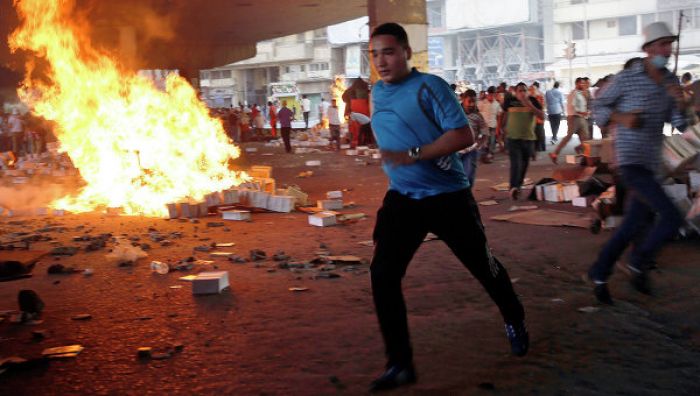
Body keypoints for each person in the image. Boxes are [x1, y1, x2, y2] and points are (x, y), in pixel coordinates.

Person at [367, 22, 528, 392]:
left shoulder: (431, 86)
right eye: (375, 54)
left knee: (483, 267)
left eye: (388, 52)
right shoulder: (377, 91)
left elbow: (463, 135)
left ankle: (514, 316)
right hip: (403, 199)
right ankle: (400, 363)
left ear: (407, 52)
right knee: (383, 275)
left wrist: (413, 154)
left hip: (447, 198)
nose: (381, 61)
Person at [585, 22, 688, 305]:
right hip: (630, 162)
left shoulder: (671, 81)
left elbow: (680, 125)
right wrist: (623, 118)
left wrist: (680, 105)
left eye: (670, 44)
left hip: (652, 162)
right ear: (647, 49)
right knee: (672, 217)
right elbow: (598, 107)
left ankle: (600, 271)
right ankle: (638, 263)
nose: (667, 51)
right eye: (662, 44)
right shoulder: (627, 78)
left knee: (632, 225)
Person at [502, 82, 544, 200]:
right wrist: (501, 131)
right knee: (516, 164)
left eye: (524, 90)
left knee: (524, 165)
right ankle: (513, 188)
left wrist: (529, 105)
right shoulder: (510, 101)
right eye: (520, 90)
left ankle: (518, 186)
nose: (522, 93)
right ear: (515, 92)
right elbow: (504, 115)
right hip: (513, 138)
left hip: (528, 139)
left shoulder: (533, 100)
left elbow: (542, 116)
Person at [549, 77, 589, 163]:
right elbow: (574, 107)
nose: (583, 85)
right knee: (568, 137)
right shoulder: (574, 93)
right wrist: (583, 113)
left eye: (584, 83)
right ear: (577, 84)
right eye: (581, 83)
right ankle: (555, 153)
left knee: (585, 139)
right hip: (574, 118)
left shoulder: (580, 94)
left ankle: (584, 157)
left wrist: (584, 113)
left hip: (581, 118)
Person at [459, 89, 489, 186]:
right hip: (454, 151)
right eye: (469, 101)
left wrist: (478, 144)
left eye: (474, 102)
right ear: (463, 99)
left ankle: (467, 198)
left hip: (471, 151)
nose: (472, 104)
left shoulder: (478, 116)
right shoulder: (454, 113)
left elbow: (485, 133)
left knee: (469, 176)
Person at [477, 86, 501, 159]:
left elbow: (499, 115)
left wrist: (498, 128)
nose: (492, 96)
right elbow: (477, 113)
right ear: (488, 94)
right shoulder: (482, 103)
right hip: (484, 126)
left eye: (493, 94)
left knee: (492, 141)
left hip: (492, 126)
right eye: (490, 94)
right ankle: (484, 155)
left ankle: (490, 154)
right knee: (484, 141)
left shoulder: (497, 104)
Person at [529, 82, 546, 154]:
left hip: (538, 119)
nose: (531, 91)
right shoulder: (529, 98)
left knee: (540, 133)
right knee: (534, 133)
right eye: (530, 90)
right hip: (532, 119)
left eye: (533, 89)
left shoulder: (540, 96)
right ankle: (536, 148)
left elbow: (542, 106)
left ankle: (541, 147)